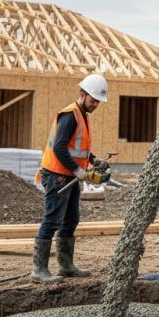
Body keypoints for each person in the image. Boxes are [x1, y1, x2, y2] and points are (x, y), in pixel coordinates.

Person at [31, 73, 110, 283]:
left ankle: (66, 266)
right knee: (52, 220)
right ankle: (38, 270)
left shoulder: (82, 115)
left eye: (98, 101)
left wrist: (93, 160)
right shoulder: (70, 115)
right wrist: (78, 170)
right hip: (57, 175)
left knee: (71, 219)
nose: (96, 105)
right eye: (94, 100)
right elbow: (59, 147)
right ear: (82, 95)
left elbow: (77, 146)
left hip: (69, 175)